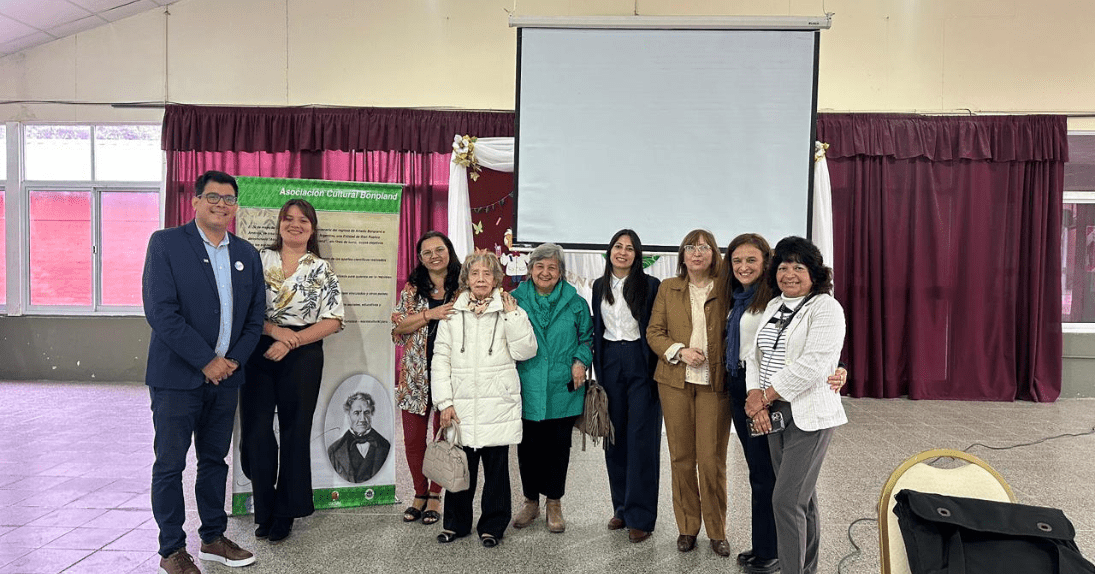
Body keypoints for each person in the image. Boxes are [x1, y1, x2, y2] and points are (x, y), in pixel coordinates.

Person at [142, 170, 264, 574]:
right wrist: (205, 360)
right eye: (213, 196)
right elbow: (161, 312)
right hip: (177, 378)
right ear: (194, 201)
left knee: (215, 461)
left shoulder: (246, 253)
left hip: (227, 379)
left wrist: (231, 362)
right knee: (170, 463)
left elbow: (254, 318)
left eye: (229, 198)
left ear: (236, 206)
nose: (221, 204)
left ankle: (213, 537)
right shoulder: (166, 244)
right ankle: (171, 550)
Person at [721, 233, 847, 574]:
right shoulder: (775, 304)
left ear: (815, 274)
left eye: (799, 267)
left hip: (809, 414)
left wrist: (766, 396)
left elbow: (815, 364)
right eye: (784, 266)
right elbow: (755, 356)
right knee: (801, 501)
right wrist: (754, 398)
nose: (789, 274)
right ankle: (806, 568)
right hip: (772, 413)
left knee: (786, 500)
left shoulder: (826, 308)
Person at [238, 198, 344, 543]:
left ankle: (285, 512)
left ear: (312, 229)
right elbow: (245, 308)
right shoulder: (258, 259)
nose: (295, 225)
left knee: (295, 432)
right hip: (259, 349)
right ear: (279, 224)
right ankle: (264, 508)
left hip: (303, 355)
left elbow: (332, 320)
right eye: (288, 218)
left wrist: (292, 340)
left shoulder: (321, 268)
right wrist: (275, 332)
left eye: (303, 220)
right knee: (256, 432)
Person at [432, 251, 537, 548]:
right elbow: (440, 359)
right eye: (475, 273)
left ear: (495, 279)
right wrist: (445, 402)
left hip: (497, 405)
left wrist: (513, 316)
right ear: (466, 278)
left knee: (497, 473)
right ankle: (455, 524)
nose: (480, 279)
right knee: (460, 471)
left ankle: (492, 526)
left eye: (486, 274)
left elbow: (525, 351)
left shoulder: (509, 309)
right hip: (461, 405)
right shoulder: (452, 313)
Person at [646, 229, 732, 557]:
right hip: (675, 382)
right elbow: (655, 332)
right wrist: (679, 351)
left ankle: (717, 530)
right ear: (683, 256)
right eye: (691, 247)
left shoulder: (727, 288)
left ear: (714, 254)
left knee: (711, 461)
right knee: (681, 458)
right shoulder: (669, 288)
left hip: (714, 384)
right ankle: (687, 527)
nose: (697, 253)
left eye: (704, 247)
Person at [511, 243, 594, 534]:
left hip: (562, 386)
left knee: (558, 447)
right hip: (526, 386)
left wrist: (580, 361)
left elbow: (587, 337)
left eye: (552, 267)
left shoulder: (576, 302)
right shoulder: (514, 300)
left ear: (560, 272)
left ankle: (554, 502)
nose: (545, 272)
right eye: (540, 266)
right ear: (530, 269)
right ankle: (531, 501)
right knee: (528, 448)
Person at [591, 229, 662, 543]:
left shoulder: (650, 285)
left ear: (638, 254)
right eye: (617, 246)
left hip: (641, 361)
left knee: (641, 439)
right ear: (610, 251)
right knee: (614, 436)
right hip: (609, 362)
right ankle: (620, 507)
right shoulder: (598, 285)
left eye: (629, 248)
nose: (622, 252)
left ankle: (641, 516)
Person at [391, 231, 460, 525]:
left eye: (439, 249)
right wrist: (429, 315)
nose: (434, 256)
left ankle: (435, 494)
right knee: (414, 440)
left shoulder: (464, 287)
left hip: (452, 375)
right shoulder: (412, 290)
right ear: (420, 258)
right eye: (427, 252)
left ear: (449, 251)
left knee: (443, 438)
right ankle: (419, 492)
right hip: (416, 375)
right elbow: (397, 328)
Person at [327, 392, 392, 483]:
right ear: (348, 415)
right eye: (357, 413)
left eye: (366, 413)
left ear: (371, 414)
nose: (362, 419)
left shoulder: (385, 445)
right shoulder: (334, 450)